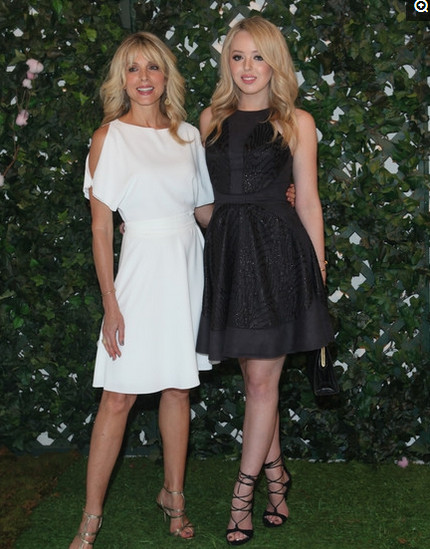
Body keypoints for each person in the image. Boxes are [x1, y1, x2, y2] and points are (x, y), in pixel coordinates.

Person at [69, 31, 214, 548]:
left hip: (186, 270)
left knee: (178, 388)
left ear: (167, 75)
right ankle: (90, 519)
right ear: (121, 79)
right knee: (118, 396)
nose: (144, 78)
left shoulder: (189, 137)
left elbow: (206, 212)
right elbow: (100, 228)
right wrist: (110, 303)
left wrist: (265, 206)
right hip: (136, 274)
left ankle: (174, 496)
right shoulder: (108, 137)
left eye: (153, 66)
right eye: (133, 68)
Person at [196, 16, 334, 546]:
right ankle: (278, 478)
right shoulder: (210, 119)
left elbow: (309, 200)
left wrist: (316, 270)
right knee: (256, 379)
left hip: (279, 255)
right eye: (238, 56)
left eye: (258, 56)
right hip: (228, 256)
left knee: (259, 383)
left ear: (276, 63)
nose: (247, 67)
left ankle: (243, 494)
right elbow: (202, 201)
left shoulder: (297, 120)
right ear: (227, 63)